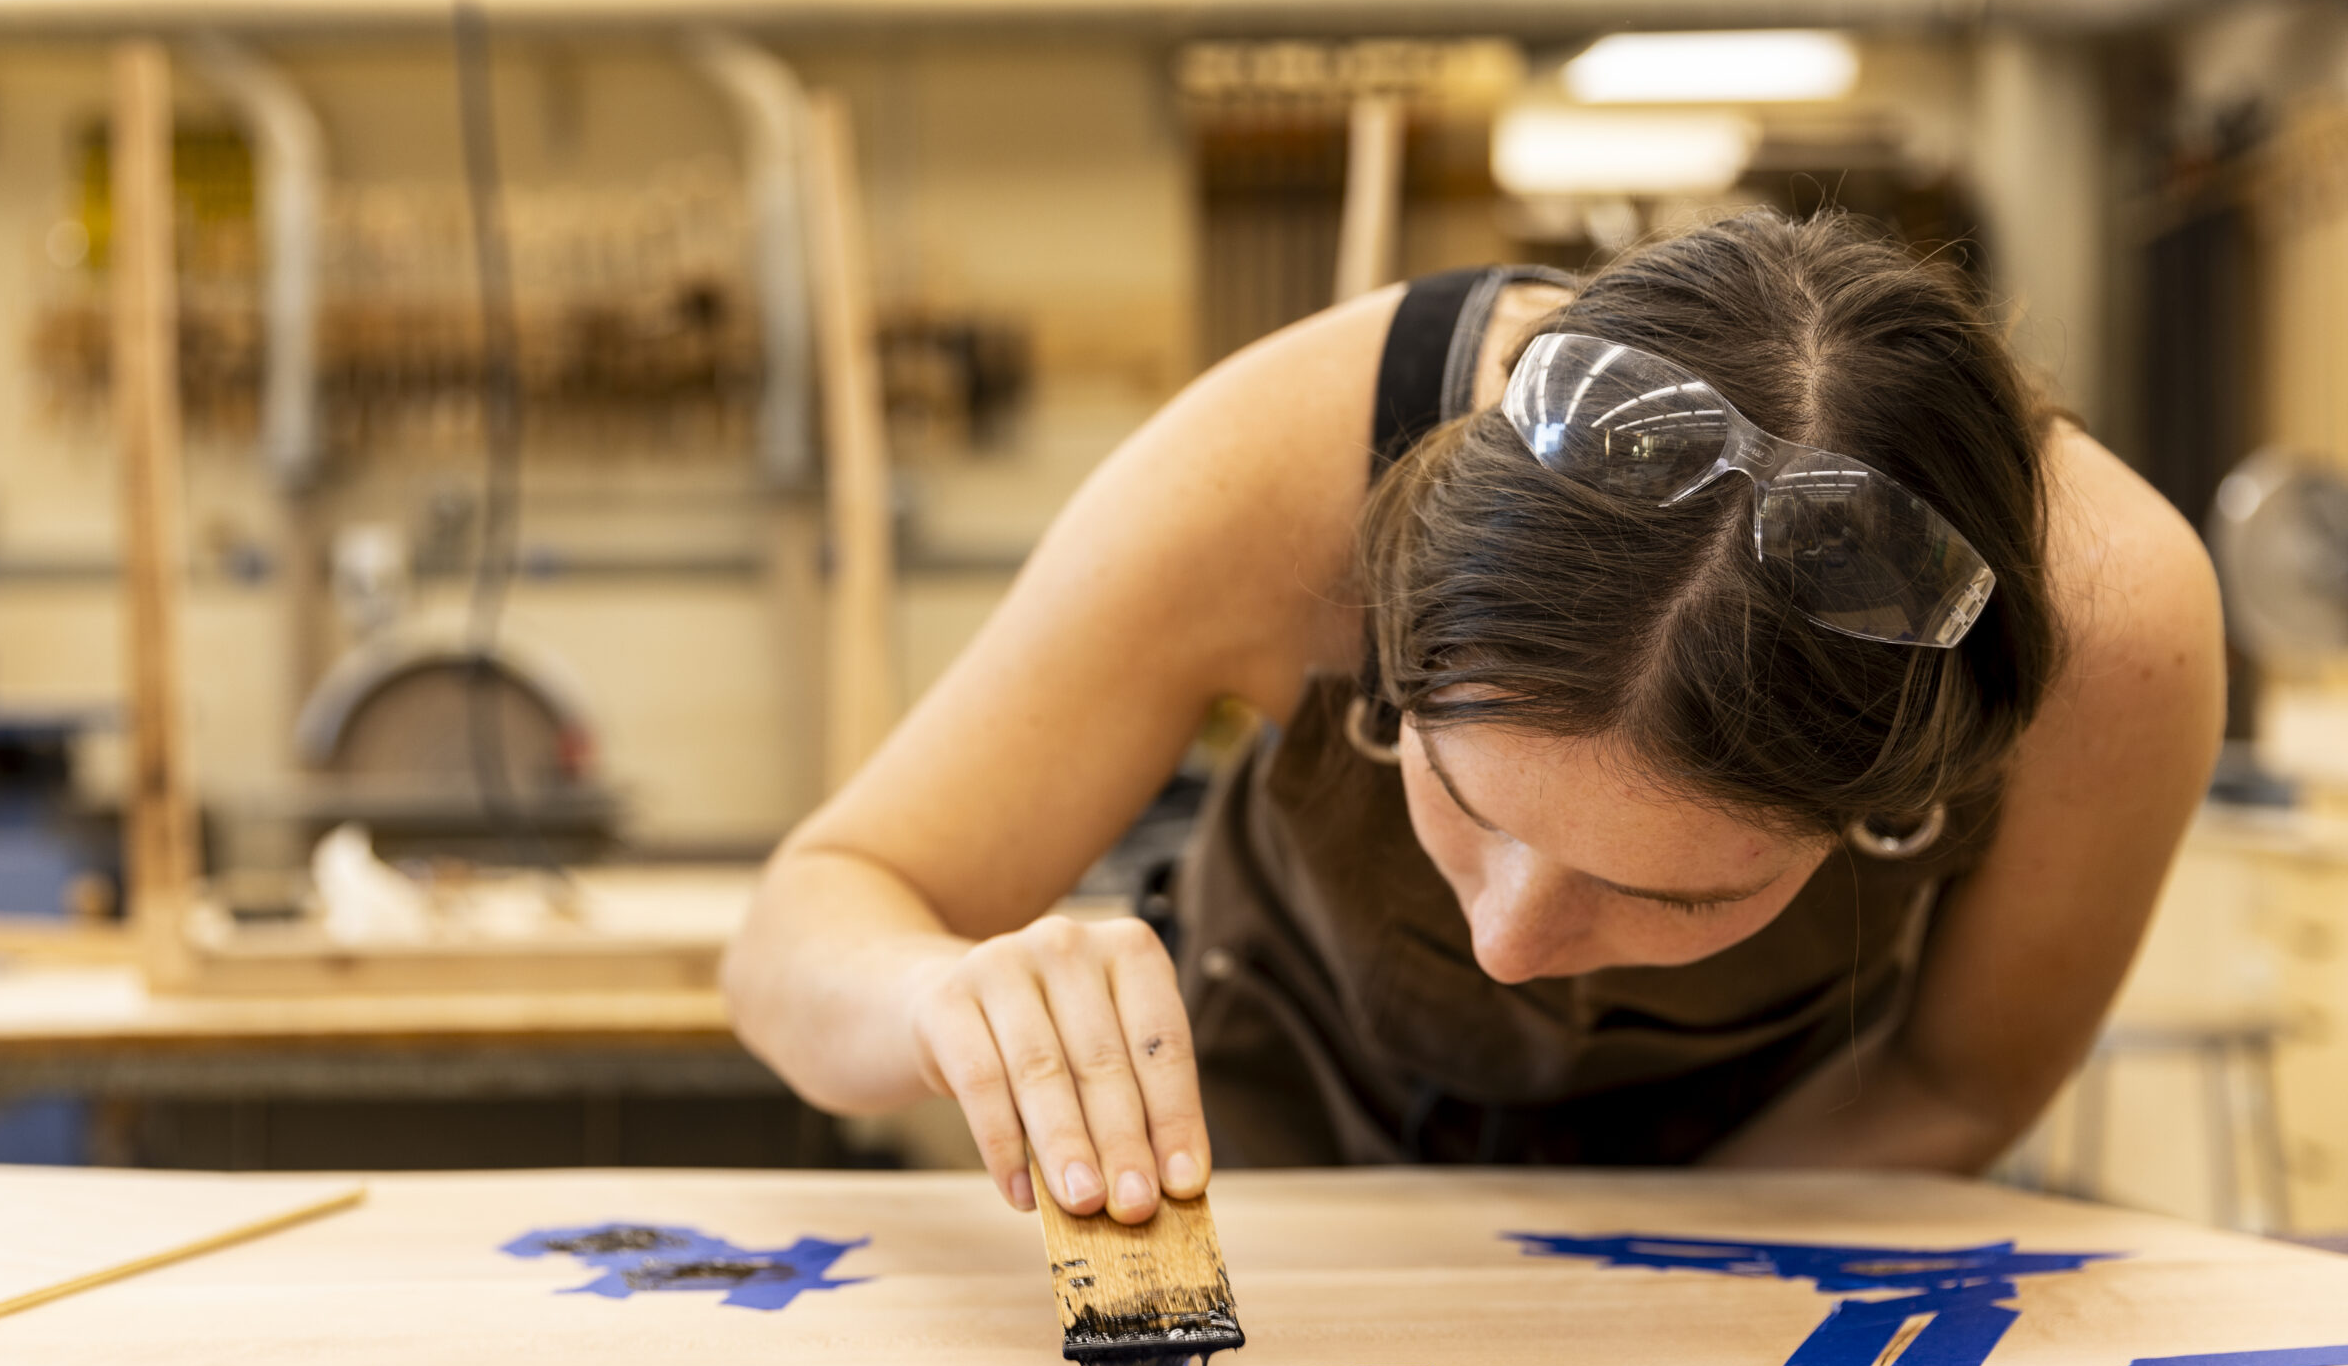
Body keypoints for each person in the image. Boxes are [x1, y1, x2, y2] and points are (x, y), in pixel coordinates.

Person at [721, 210, 2223, 1226]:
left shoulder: (2114, 632)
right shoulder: (1288, 460)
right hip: (1255, 1158)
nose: (1511, 942)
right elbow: (810, 919)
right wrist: (935, 997)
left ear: (1896, 788)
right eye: (1460, 791)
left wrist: (1628, 1294)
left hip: (1751, 1199)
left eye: (1677, 888)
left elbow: (1956, 1079)